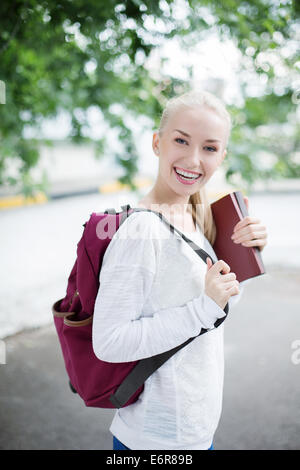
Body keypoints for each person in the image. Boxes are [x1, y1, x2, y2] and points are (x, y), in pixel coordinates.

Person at [92, 89, 268, 451]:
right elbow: (109, 342)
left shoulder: (196, 218)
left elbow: (214, 314)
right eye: (181, 141)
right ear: (157, 142)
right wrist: (203, 307)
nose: (193, 159)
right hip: (154, 442)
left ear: (222, 156)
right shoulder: (141, 230)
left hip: (196, 434)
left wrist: (247, 257)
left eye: (209, 147)